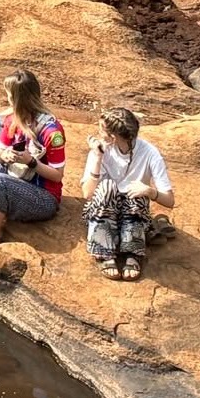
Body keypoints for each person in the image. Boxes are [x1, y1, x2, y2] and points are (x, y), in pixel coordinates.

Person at [0, 69, 65, 258]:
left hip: (43, 196)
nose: (7, 99)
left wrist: (31, 161)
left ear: (18, 99)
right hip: (16, 175)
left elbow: (57, 175)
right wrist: (4, 155)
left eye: (9, 95)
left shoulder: (51, 131)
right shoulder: (12, 120)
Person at [81, 107, 175, 282]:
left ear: (113, 137)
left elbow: (169, 200)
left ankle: (133, 252)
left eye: (101, 129)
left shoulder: (150, 153)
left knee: (137, 192)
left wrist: (149, 191)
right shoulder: (101, 149)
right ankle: (104, 252)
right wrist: (97, 157)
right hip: (103, 210)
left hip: (133, 211)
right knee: (107, 186)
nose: (98, 132)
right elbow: (88, 193)